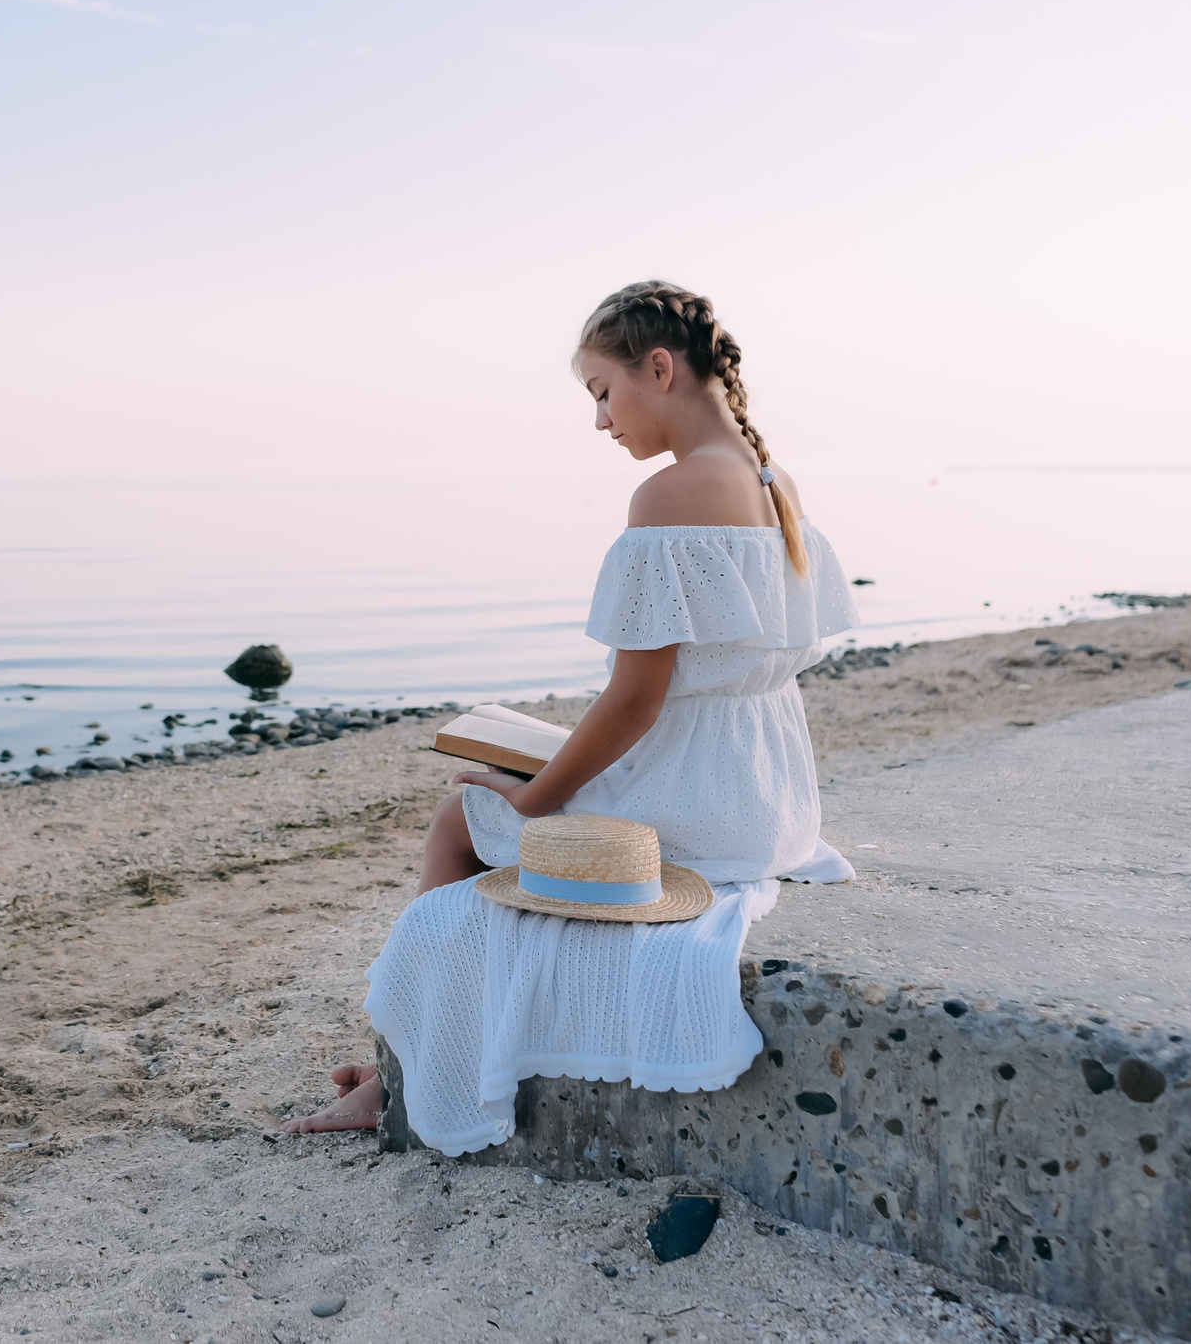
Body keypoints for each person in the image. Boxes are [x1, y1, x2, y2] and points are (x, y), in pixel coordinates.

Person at [287, 279, 859, 1150]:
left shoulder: (669, 496)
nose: (600, 421)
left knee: (461, 816)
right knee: (517, 785)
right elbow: (696, 689)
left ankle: (399, 1075)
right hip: (767, 798)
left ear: (658, 368)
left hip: (697, 807)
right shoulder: (773, 479)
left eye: (602, 391)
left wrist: (532, 796)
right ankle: (396, 1061)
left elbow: (636, 700)